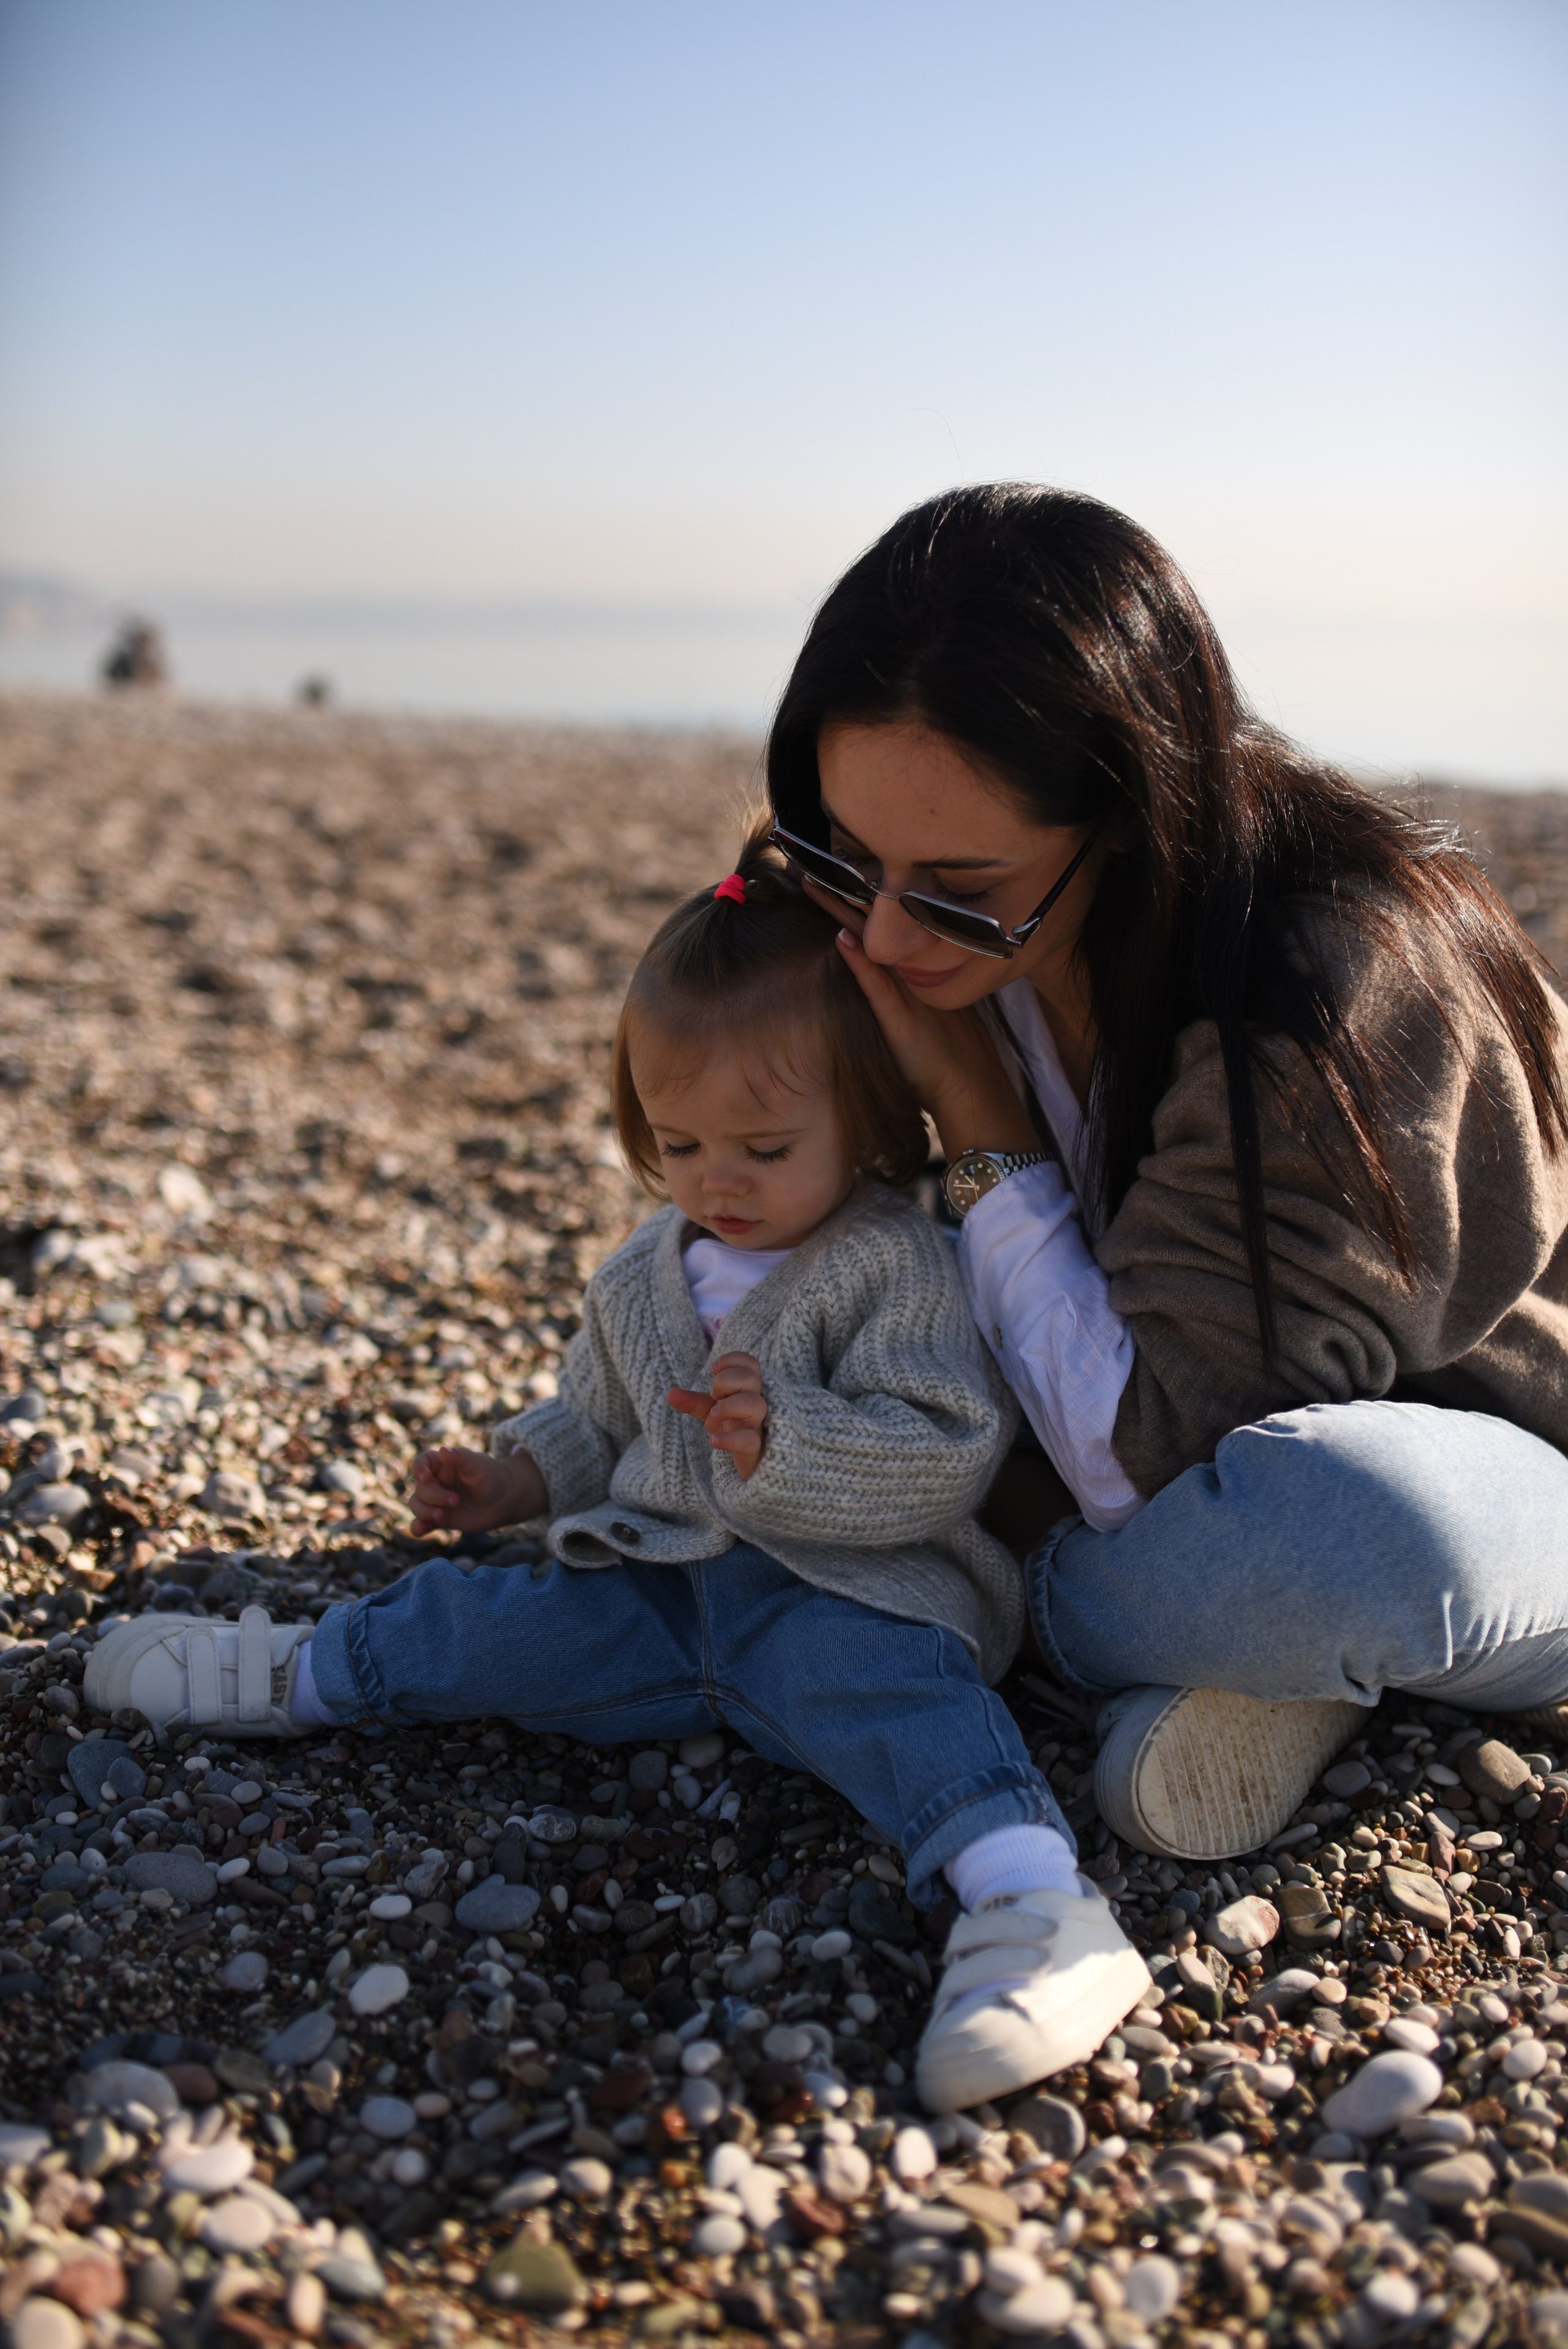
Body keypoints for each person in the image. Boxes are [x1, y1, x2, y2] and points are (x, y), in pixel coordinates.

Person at [86, 832, 1153, 2113]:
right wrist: (517, 1481)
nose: (719, 1181)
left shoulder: (895, 1264)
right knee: (492, 1625)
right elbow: (595, 1414)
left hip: (845, 1593)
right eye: (680, 1142)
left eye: (763, 1148)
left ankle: (1032, 1904)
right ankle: (296, 1668)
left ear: (867, 1122)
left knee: (907, 1713)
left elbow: (945, 1450)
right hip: (655, 1584)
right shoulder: (651, 1268)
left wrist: (789, 1445)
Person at [764, 481, 1568, 1877]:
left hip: (1477, 1465)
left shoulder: (1327, 1000)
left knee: (1366, 1532)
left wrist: (973, 1108)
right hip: (1166, 1456)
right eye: (847, 856)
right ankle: (1274, 1670)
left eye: (958, 884)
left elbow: (1148, 1456)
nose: (888, 936)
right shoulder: (920, 918)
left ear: (1133, 815)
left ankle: (1038, 1605)